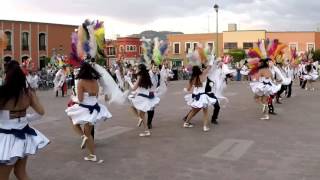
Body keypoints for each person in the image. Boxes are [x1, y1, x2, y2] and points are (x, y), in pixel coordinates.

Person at [0, 60, 49, 180]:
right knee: (20, 172)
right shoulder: (28, 93)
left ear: (7, 75)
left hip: (7, 139)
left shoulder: (2, 93)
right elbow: (41, 112)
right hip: (24, 136)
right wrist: (24, 119)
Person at [66, 62, 111, 163]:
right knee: (89, 133)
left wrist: (73, 97)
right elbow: (95, 96)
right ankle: (91, 154)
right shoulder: (95, 81)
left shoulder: (81, 81)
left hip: (85, 108)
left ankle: (83, 137)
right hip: (95, 109)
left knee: (72, 118)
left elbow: (80, 99)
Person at [128, 64, 160, 137]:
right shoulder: (147, 76)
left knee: (132, 106)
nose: (136, 69)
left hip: (141, 96)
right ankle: (146, 131)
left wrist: (129, 81)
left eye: (137, 68)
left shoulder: (140, 76)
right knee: (142, 114)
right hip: (146, 96)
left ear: (140, 69)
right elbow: (150, 87)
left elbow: (134, 88)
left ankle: (140, 120)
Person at [183, 64, 215, 132]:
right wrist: (211, 59)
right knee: (205, 112)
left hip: (196, 97)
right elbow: (209, 67)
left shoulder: (192, 79)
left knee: (193, 111)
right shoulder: (203, 75)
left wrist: (185, 89)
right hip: (203, 97)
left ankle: (186, 123)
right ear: (199, 70)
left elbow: (188, 89)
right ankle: (205, 127)